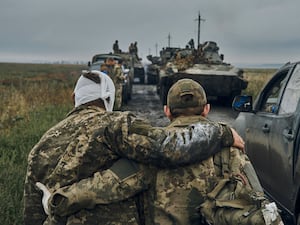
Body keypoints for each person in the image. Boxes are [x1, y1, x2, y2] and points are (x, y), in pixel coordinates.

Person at [41, 79, 284, 225]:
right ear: (207, 109)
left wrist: (59, 200)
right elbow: (256, 201)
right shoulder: (232, 150)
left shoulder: (152, 154)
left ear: (167, 111)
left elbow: (106, 186)